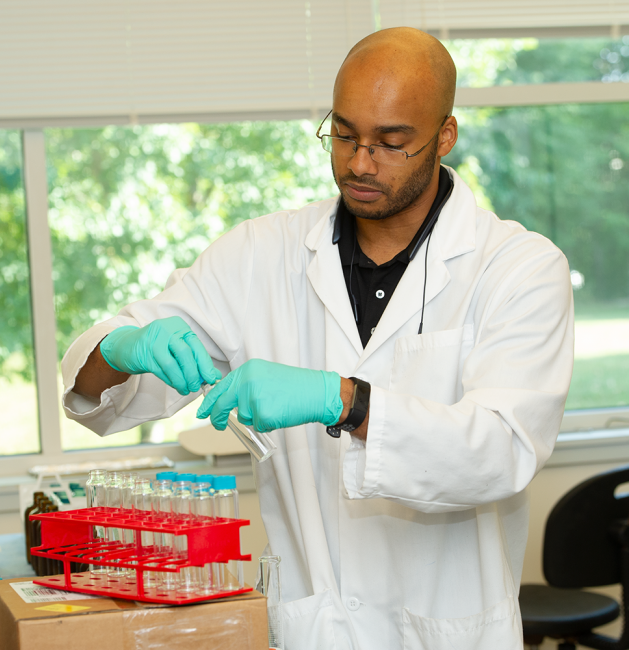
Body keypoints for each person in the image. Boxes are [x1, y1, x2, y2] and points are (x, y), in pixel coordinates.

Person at [63, 27, 573, 650]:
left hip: (450, 632)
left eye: (391, 142)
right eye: (344, 133)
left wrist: (347, 401)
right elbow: (99, 386)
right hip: (314, 631)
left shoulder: (516, 266)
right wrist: (122, 347)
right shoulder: (259, 253)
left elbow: (503, 449)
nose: (359, 162)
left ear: (445, 136)